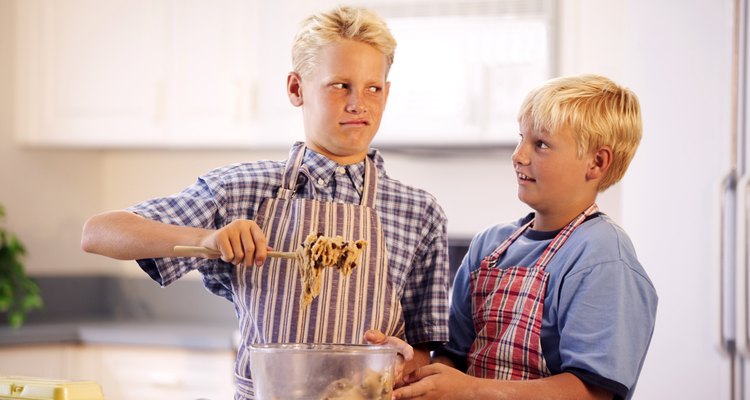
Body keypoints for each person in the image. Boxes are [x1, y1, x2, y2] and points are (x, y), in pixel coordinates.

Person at [80, 6, 448, 399]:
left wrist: (403, 361)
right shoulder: (245, 189)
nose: (359, 103)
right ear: (296, 89)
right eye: (340, 85)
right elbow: (99, 232)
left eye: (373, 88)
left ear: (386, 93)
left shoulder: (418, 212)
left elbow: (429, 355)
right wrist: (208, 240)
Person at [393, 74, 658, 400]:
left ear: (596, 163)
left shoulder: (601, 256)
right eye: (521, 138)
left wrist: (473, 390)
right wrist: (416, 372)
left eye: (541, 144)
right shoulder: (488, 247)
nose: (518, 155)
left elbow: (592, 392)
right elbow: (453, 357)